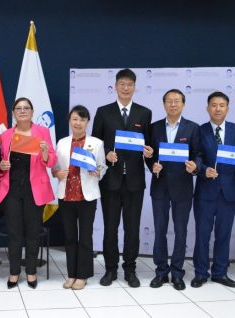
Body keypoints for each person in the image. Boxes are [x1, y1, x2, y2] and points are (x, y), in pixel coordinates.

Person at [92, 68, 153, 287]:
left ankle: (130, 270)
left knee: (132, 229)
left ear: (135, 87)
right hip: (111, 180)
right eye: (122, 84)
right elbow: (95, 144)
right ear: (115, 86)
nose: (126, 88)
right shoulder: (103, 112)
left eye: (130, 84)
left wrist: (150, 156)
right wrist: (106, 153)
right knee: (110, 228)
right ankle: (110, 270)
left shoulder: (144, 113)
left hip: (135, 181)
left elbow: (149, 145)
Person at [192, 91, 235, 288]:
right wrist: (202, 170)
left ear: (228, 108)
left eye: (222, 105)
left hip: (229, 191)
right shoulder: (199, 130)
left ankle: (220, 272)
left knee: (223, 234)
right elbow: (196, 156)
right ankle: (200, 273)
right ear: (208, 108)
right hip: (205, 190)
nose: (218, 108)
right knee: (202, 234)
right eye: (214, 105)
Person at [0, 97, 57, 289]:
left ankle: (31, 271)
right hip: (12, 189)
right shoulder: (5, 135)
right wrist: (1, 166)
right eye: (18, 108)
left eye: (26, 108)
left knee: (32, 232)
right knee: (14, 233)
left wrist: (46, 153)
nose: (22, 111)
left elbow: (52, 161)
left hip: (35, 189)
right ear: (13, 113)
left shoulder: (42, 132)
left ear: (32, 112)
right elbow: (0, 164)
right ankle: (14, 272)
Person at [144, 89, 201, 291]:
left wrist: (195, 166)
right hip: (160, 186)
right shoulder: (154, 128)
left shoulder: (192, 128)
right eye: (169, 101)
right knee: (160, 231)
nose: (173, 104)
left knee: (180, 231)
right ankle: (161, 272)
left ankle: (177, 273)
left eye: (177, 101)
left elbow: (198, 154)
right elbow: (149, 155)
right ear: (164, 104)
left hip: (183, 187)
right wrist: (152, 165)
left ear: (183, 105)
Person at [52, 105, 106, 290]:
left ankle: (82, 275)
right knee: (69, 237)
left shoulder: (96, 143)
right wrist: (57, 173)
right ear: (69, 120)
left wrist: (97, 172)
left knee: (85, 236)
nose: (78, 123)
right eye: (75, 119)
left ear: (87, 122)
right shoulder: (62, 142)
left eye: (82, 120)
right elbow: (55, 167)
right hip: (66, 195)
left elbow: (103, 167)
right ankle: (72, 274)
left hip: (87, 195)